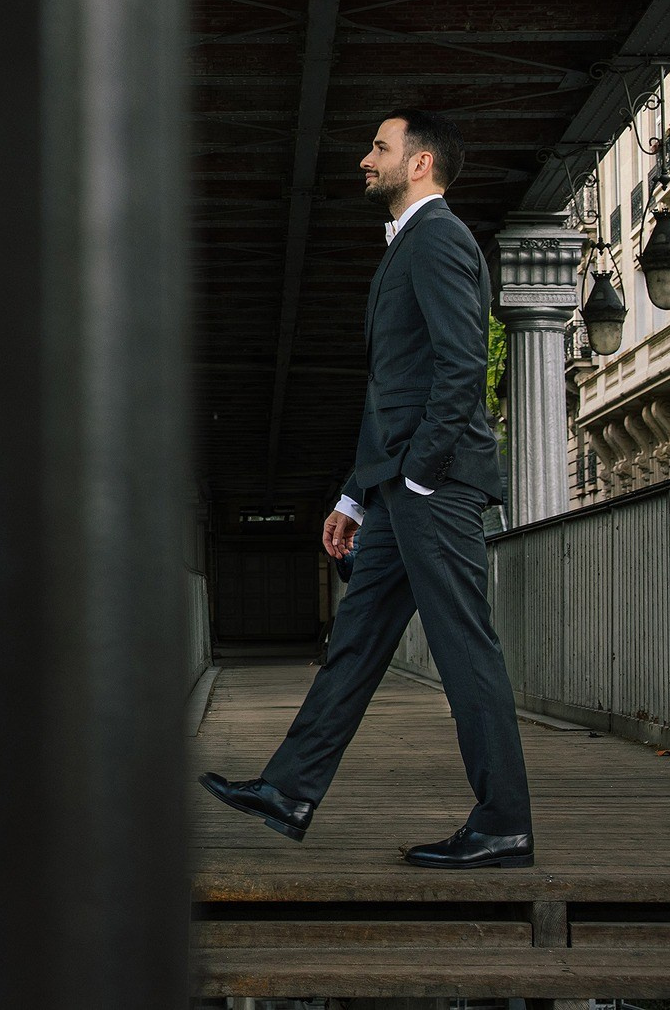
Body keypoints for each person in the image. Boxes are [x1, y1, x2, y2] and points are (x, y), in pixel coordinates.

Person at [199, 108, 534, 870]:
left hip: (432, 485)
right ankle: (290, 788)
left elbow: (460, 369)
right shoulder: (408, 247)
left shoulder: (440, 238)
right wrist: (354, 496)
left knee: (463, 649)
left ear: (419, 163)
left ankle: (504, 821)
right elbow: (394, 387)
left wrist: (416, 474)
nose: (364, 159)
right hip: (396, 489)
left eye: (379, 147)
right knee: (352, 645)